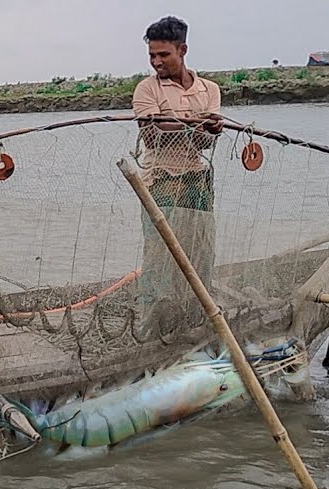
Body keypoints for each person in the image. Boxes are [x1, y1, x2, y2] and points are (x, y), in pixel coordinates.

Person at [130, 16, 223, 331]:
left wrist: (194, 127)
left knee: (201, 251)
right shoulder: (146, 89)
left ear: (182, 50)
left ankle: (196, 319)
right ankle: (150, 325)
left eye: (163, 55)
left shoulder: (208, 89)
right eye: (152, 56)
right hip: (160, 181)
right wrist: (198, 123)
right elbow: (152, 134)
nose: (156, 62)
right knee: (159, 257)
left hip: (197, 179)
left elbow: (205, 142)